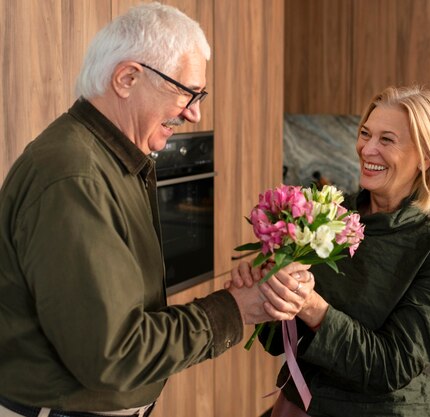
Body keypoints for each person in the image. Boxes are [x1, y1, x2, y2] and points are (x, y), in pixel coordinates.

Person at [0, 3, 313, 417]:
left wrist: (237, 298)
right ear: (128, 78)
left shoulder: (110, 159)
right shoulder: (73, 178)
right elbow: (113, 355)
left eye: (199, 96)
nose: (194, 112)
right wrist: (236, 308)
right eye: (188, 92)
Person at [232, 85, 430, 417]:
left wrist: (312, 307)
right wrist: (267, 289)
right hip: (298, 404)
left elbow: (391, 366)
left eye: (387, 140)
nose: (367, 149)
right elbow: (277, 344)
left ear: (426, 158)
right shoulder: (325, 213)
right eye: (365, 134)